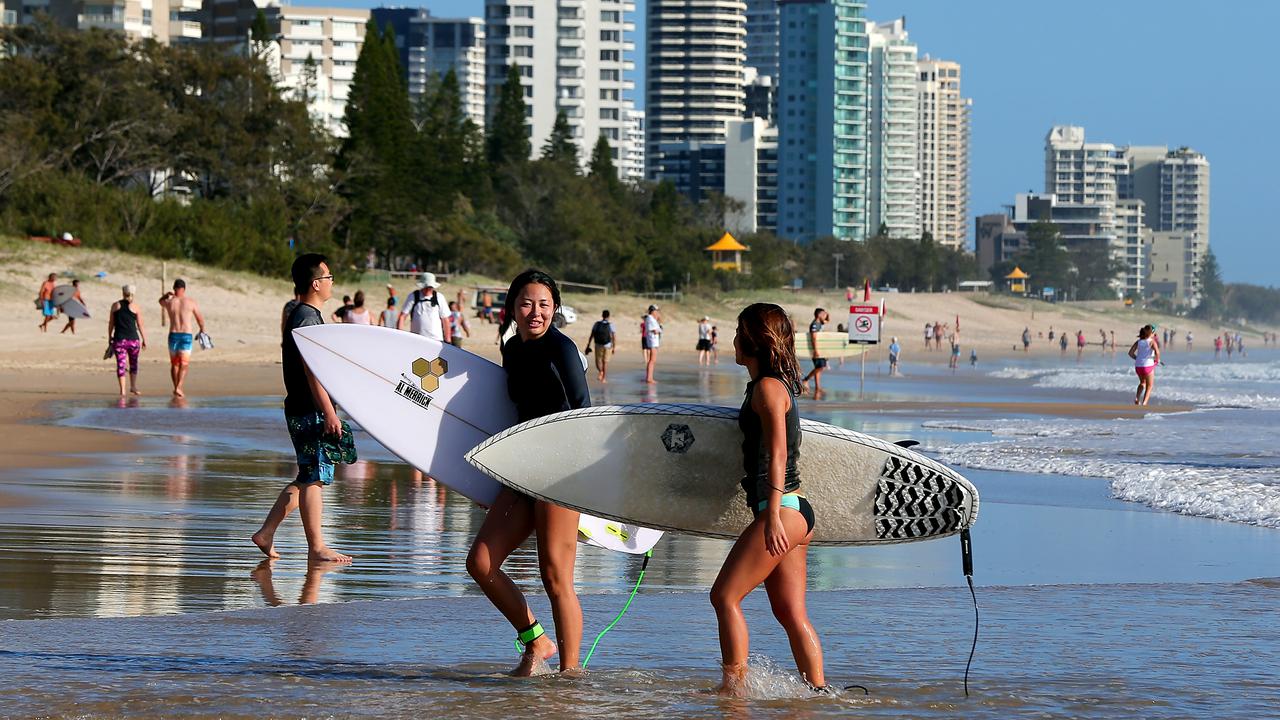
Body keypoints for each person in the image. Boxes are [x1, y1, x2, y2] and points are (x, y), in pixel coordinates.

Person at [466, 270, 590, 676]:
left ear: (555, 307)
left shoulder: (563, 349)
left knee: (556, 577)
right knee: (480, 563)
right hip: (521, 471)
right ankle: (536, 639)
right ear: (512, 308)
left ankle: (570, 677)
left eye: (543, 304)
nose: (535, 312)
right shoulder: (512, 349)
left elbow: (585, 417)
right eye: (526, 303)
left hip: (560, 474)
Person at [712, 302, 824, 695]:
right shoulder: (771, 386)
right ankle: (819, 693)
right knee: (791, 613)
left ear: (754, 341)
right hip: (794, 511)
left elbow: (778, 453)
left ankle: (733, 689)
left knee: (724, 596)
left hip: (784, 510)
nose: (733, 340)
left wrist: (772, 515)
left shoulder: (768, 388)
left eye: (739, 331)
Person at [252, 253, 352, 565]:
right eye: (329, 276)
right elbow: (312, 370)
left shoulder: (301, 314)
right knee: (315, 478)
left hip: (302, 405)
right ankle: (317, 547)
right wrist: (329, 411)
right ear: (315, 283)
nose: (332, 281)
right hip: (310, 408)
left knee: (307, 474)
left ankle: (266, 532)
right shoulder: (307, 317)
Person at [158, 279, 206, 398]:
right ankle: (179, 387)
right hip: (186, 335)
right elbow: (199, 318)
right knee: (184, 364)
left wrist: (165, 295)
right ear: (184, 289)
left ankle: (176, 389)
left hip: (173, 335)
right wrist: (202, 329)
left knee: (175, 364)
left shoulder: (169, 302)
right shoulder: (190, 302)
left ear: (174, 288)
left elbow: (160, 301)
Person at [107, 284, 147, 397]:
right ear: (133, 294)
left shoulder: (115, 305)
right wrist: (144, 339)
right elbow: (140, 325)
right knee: (134, 364)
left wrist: (109, 336)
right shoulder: (136, 307)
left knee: (121, 364)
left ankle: (123, 391)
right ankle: (133, 386)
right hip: (134, 340)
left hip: (119, 340)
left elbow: (111, 323)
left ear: (122, 292)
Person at [398, 273, 452, 344]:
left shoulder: (439, 297)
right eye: (426, 287)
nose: (428, 289)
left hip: (436, 340)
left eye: (430, 287)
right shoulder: (413, 296)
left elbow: (445, 320)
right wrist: (400, 334)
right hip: (417, 339)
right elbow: (402, 316)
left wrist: (448, 340)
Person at [1129, 324, 1160, 406]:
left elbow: (1130, 353)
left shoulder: (1138, 342)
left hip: (1138, 366)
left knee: (1142, 382)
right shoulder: (1152, 342)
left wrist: (1138, 359)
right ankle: (1144, 402)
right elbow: (1157, 353)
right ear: (1151, 333)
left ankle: (1137, 397)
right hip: (1148, 366)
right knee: (1149, 386)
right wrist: (1156, 361)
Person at [800, 308, 830, 395]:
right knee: (821, 367)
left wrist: (827, 314)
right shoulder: (814, 325)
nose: (825, 316)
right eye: (824, 314)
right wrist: (815, 350)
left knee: (819, 368)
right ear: (819, 315)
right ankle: (805, 379)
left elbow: (827, 320)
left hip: (820, 349)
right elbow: (813, 338)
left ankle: (818, 387)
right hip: (816, 350)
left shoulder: (820, 323)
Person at [584, 309, 617, 383]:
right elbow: (614, 337)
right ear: (608, 316)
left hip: (598, 345)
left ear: (602, 315)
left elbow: (591, 335)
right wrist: (614, 347)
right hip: (608, 345)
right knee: (605, 362)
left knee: (598, 361)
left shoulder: (596, 324)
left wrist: (588, 344)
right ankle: (603, 378)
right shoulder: (611, 325)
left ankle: (601, 372)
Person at [644, 304, 662, 384]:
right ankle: (649, 378)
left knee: (651, 360)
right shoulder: (650, 318)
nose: (658, 312)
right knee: (652, 360)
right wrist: (660, 329)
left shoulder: (652, 319)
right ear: (653, 311)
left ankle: (649, 377)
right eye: (657, 311)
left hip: (653, 341)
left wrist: (658, 320)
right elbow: (655, 330)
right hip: (652, 341)